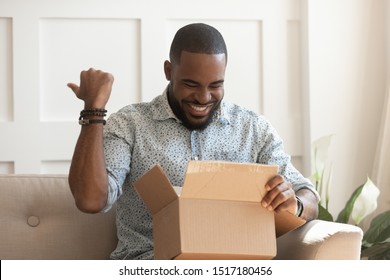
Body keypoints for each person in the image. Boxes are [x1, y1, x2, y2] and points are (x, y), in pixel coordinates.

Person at [67, 23, 319, 260]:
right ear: (169, 71)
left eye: (215, 85)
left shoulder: (253, 129)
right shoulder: (130, 124)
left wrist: (294, 204)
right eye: (191, 84)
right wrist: (93, 110)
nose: (203, 97)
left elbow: (307, 196)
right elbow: (91, 200)